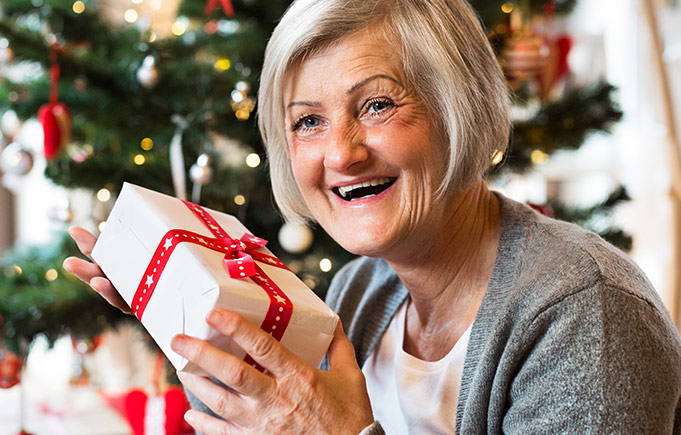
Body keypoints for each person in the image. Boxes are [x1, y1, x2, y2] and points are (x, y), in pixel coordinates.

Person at [64, 0, 681, 433]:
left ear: (457, 108)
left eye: (378, 105)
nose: (341, 153)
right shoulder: (363, 289)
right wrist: (179, 309)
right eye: (309, 120)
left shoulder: (585, 313)